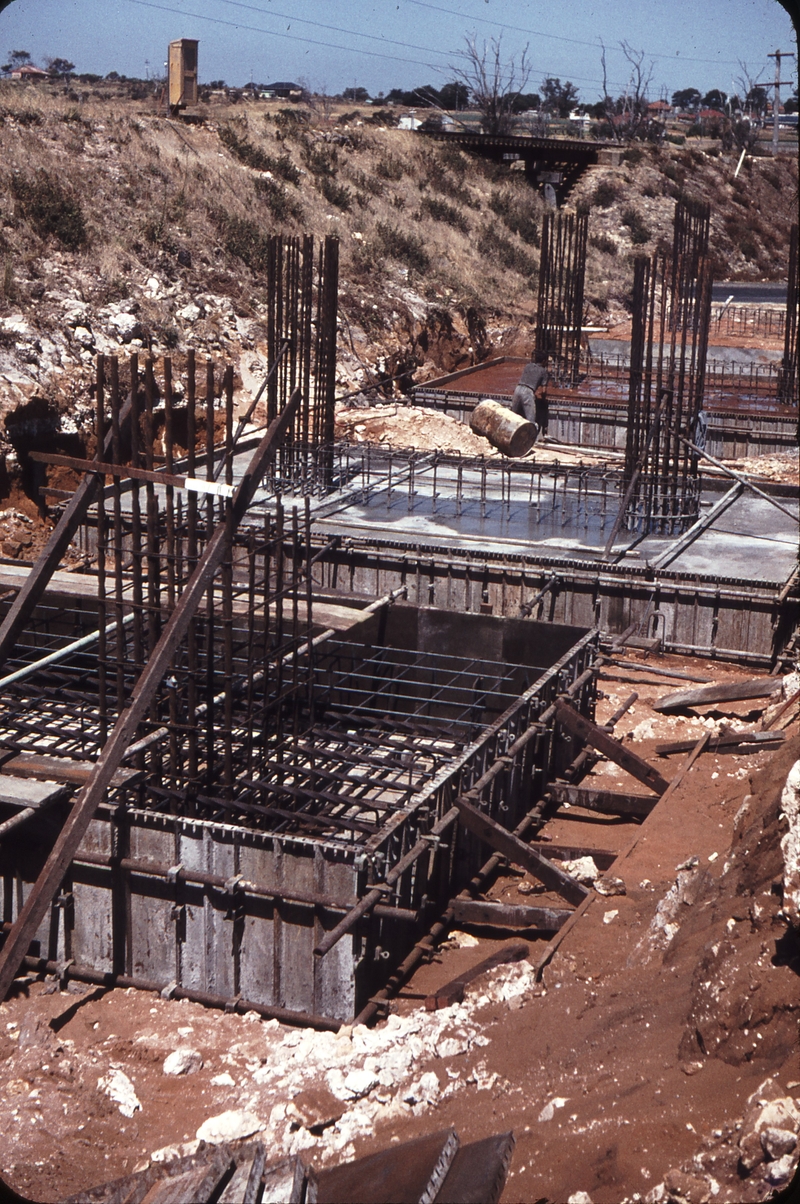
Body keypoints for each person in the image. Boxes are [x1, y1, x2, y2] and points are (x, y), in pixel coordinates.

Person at [508, 351, 550, 438]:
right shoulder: (544, 371)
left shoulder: (528, 366)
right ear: (543, 361)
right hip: (528, 393)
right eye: (547, 361)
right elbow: (544, 391)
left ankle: (508, 437)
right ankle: (531, 442)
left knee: (512, 417)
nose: (547, 363)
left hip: (518, 389)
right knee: (531, 421)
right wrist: (543, 401)